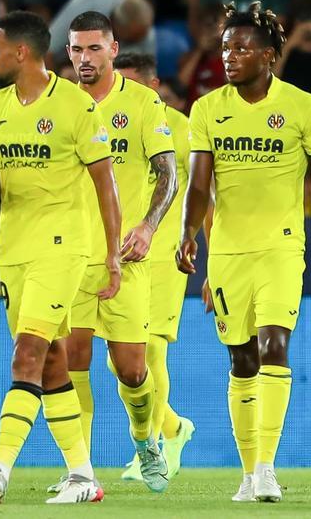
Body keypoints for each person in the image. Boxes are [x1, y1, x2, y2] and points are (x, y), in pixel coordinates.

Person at [178, 2, 311, 503]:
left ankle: (267, 467)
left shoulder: (303, 107)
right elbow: (200, 185)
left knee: (273, 347)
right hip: (227, 255)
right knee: (241, 359)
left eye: (242, 47)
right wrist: (187, 236)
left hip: (282, 251)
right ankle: (248, 473)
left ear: (269, 55)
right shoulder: (206, 110)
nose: (230, 55)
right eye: (226, 47)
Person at [0, 11, 119, 505]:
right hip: (14, 249)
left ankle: (0, 466)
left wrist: (111, 256)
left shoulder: (74, 106)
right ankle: (82, 475)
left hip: (62, 246)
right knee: (52, 360)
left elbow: (105, 185)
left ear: (21, 52)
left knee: (26, 353)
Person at [52, 11, 178, 496]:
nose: (85, 59)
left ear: (113, 49)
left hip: (125, 255)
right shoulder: (57, 102)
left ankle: (145, 439)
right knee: (72, 358)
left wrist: (148, 226)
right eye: (76, 50)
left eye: (94, 49)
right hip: (68, 255)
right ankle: (80, 472)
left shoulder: (144, 104)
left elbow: (167, 173)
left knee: (131, 368)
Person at [111, 52, 197, 482]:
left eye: (131, 84)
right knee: (119, 361)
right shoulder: (107, 122)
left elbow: (203, 191)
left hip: (164, 255)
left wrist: (203, 247)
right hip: (123, 255)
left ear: (154, 85)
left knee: (153, 350)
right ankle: (174, 428)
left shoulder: (181, 128)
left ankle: (154, 448)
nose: (123, 93)